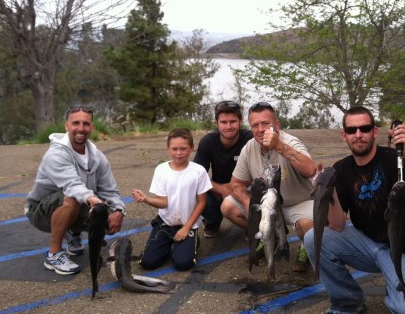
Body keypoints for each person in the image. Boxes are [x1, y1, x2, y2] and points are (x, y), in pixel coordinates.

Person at [303, 106, 405, 314]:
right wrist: (328, 192)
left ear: (375, 131)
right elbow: (337, 225)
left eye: (364, 128)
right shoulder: (341, 169)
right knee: (314, 236)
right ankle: (348, 302)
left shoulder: (397, 159)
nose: (358, 134)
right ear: (344, 135)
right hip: (370, 246)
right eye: (352, 130)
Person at [25, 105, 126, 275]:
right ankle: (54, 254)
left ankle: (73, 232)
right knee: (73, 198)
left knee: (108, 221)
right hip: (40, 211)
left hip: (77, 203)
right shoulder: (56, 154)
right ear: (67, 126)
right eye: (76, 123)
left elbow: (110, 189)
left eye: (86, 124)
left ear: (91, 127)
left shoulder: (97, 156)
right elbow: (72, 186)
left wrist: (118, 210)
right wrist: (94, 201)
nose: (81, 128)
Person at [221, 101, 317, 272]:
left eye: (265, 123)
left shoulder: (290, 142)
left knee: (309, 228)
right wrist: (248, 203)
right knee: (228, 206)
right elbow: (236, 183)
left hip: (298, 202)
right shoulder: (249, 147)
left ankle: (304, 246)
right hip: (268, 205)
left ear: (276, 125)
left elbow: (310, 169)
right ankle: (268, 237)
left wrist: (278, 145)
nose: (260, 129)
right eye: (255, 125)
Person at [132, 128, 211, 271]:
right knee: (148, 263)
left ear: (192, 148)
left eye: (183, 148)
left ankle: (192, 239)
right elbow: (164, 202)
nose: (179, 153)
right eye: (174, 149)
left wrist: (187, 228)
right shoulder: (161, 170)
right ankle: (169, 243)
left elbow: (202, 202)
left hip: (187, 224)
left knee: (183, 264)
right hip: (165, 223)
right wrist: (146, 199)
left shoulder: (199, 171)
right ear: (168, 149)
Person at [193, 100, 253, 238]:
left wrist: (236, 186)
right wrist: (222, 189)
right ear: (216, 123)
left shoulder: (250, 139)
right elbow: (197, 175)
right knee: (192, 189)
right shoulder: (208, 141)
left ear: (240, 121)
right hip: (218, 189)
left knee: (262, 190)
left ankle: (252, 228)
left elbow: (260, 171)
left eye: (233, 121)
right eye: (224, 122)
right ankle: (213, 221)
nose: (228, 126)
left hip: (245, 186)